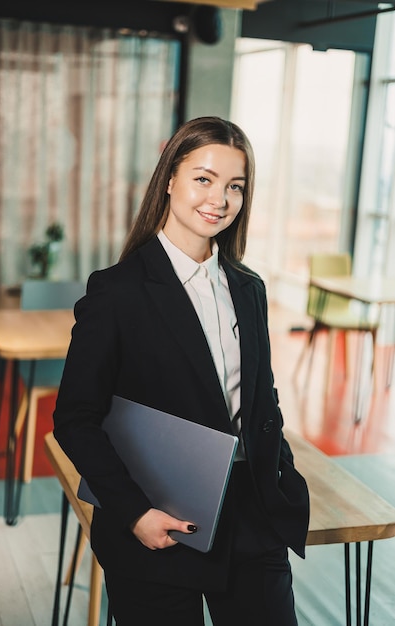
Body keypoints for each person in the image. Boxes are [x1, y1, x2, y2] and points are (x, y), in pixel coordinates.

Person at [53, 116, 309, 625]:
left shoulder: (248, 288)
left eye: (235, 186)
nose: (220, 198)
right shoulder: (117, 291)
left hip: (252, 517)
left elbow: (261, 397)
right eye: (203, 179)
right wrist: (134, 513)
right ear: (170, 178)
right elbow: (75, 418)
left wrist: (280, 472)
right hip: (157, 523)